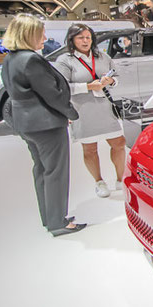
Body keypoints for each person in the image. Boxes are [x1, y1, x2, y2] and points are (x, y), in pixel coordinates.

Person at [0, 14, 85, 236]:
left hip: (26, 124)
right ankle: (59, 222)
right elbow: (52, 95)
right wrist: (70, 113)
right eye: (41, 33)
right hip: (46, 124)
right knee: (56, 171)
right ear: (28, 35)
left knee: (41, 170)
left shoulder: (10, 59)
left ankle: (50, 217)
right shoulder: (31, 59)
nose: (45, 38)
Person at [55, 23, 126, 199]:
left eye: (88, 37)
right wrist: (87, 86)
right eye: (81, 38)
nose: (85, 41)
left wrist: (110, 81)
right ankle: (99, 181)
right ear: (72, 40)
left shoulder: (102, 56)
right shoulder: (65, 60)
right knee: (90, 149)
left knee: (119, 143)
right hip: (83, 109)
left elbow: (116, 77)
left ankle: (120, 179)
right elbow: (62, 88)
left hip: (104, 107)